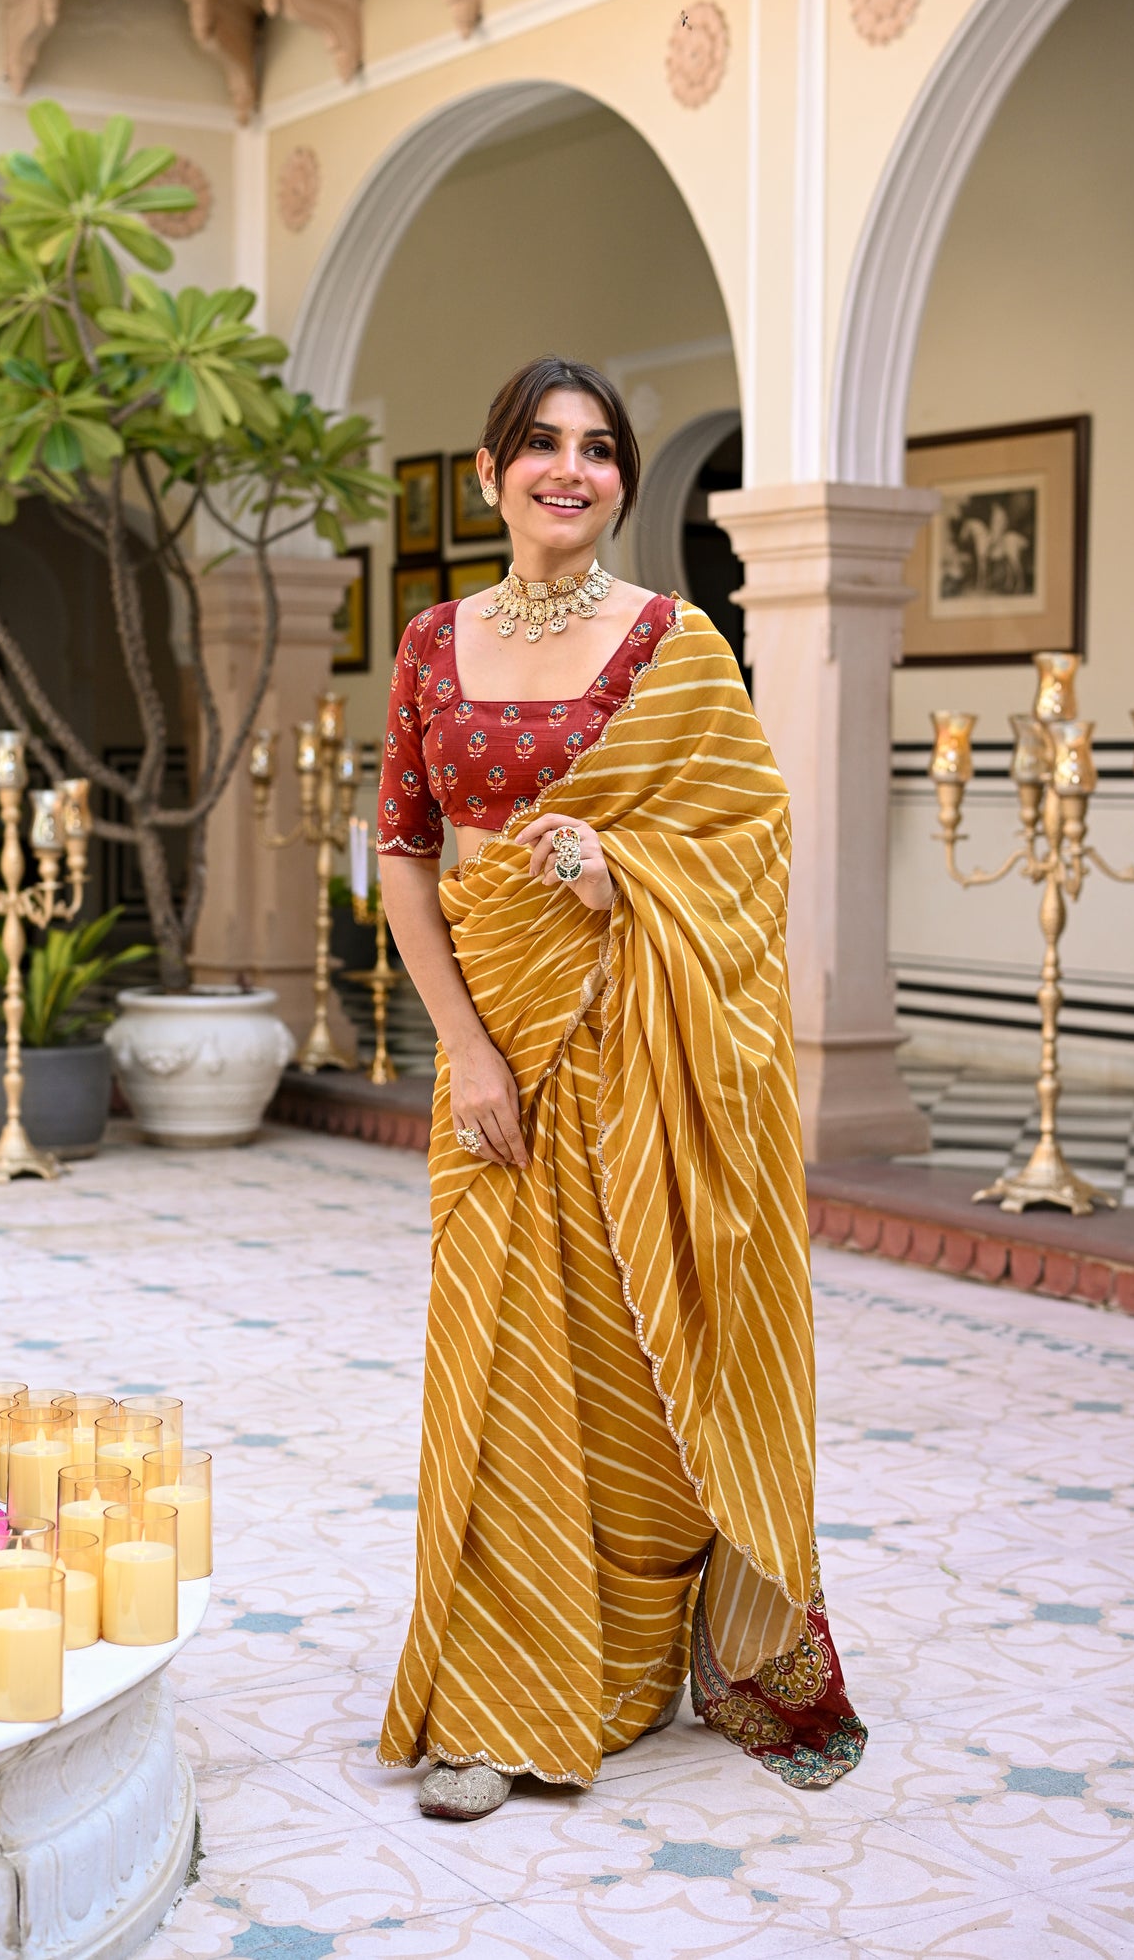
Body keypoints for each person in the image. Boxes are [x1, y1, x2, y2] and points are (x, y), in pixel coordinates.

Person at [375, 354, 866, 1821]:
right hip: (498, 1059)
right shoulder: (429, 644)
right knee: (498, 1365)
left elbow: (750, 848)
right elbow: (404, 854)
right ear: (489, 472)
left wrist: (623, 874)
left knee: (638, 1373)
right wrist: (465, 1048)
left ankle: (628, 1661)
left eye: (598, 450)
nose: (569, 471)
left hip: (636, 1059)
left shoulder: (676, 642)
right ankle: (500, 1703)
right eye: (541, 445)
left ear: (623, 483)